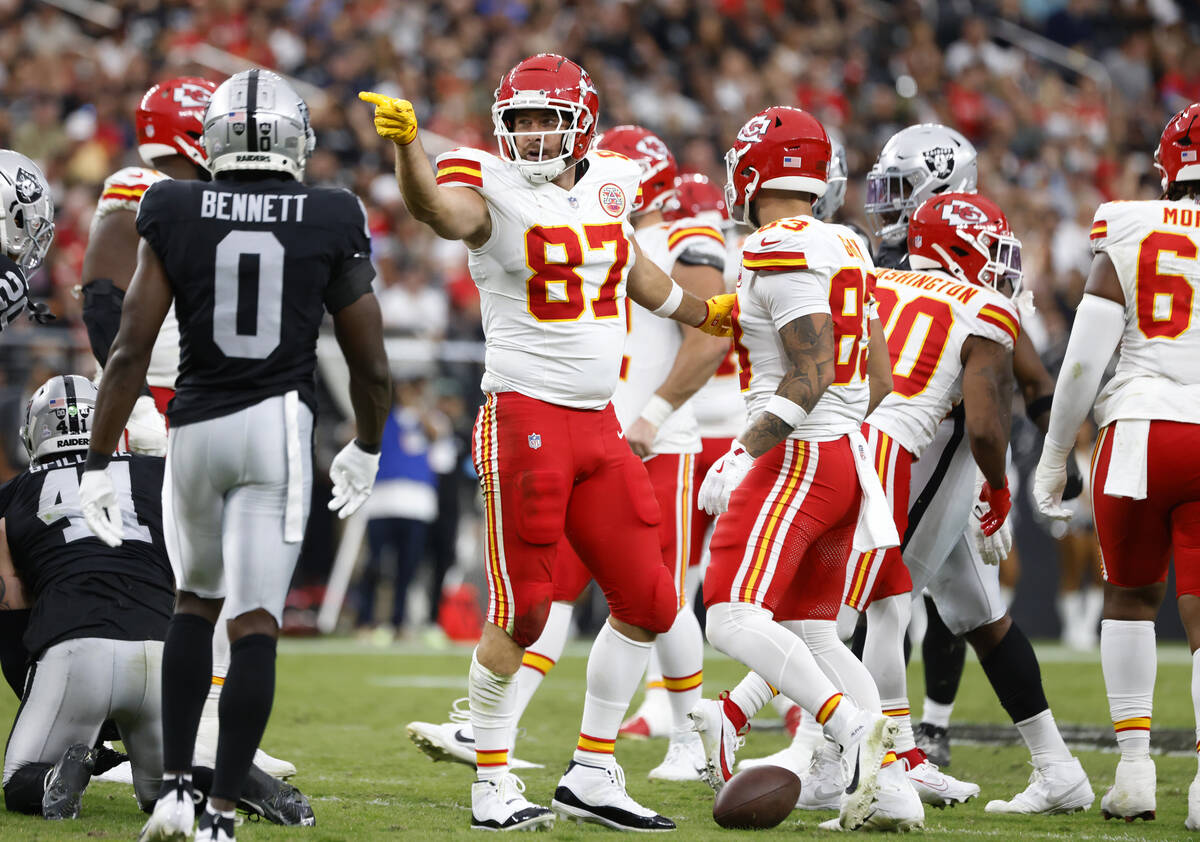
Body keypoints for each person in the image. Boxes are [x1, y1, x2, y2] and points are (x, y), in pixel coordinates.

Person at [360, 53, 733, 831]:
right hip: (526, 418)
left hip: (597, 423)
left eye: (546, 118)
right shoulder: (486, 184)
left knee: (652, 599)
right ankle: (490, 781)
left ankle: (593, 770)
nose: (531, 134)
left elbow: (626, 264)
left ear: (582, 122)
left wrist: (703, 315)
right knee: (526, 609)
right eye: (520, 119)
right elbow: (439, 211)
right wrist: (408, 150)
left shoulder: (613, 182)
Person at [80, 69, 391, 842]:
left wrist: (95, 461)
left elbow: (127, 351)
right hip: (275, 424)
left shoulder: (173, 203)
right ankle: (219, 812)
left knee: (193, 605)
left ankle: (177, 791)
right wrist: (368, 443)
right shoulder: (330, 211)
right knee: (254, 624)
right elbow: (371, 364)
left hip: (192, 422)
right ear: (294, 139)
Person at [688, 105, 920, 832]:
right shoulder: (846, 243)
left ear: (758, 168)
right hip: (845, 453)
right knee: (815, 634)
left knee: (728, 615)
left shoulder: (778, 246)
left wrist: (741, 450)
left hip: (798, 454)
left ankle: (847, 729)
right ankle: (894, 792)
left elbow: (810, 372)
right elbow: (876, 375)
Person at [79, 74, 297, 783]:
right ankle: (163, 741)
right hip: (167, 403)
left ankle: (213, 731)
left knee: (222, 582)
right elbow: (105, 305)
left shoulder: (207, 196)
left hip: (209, 399)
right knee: (190, 586)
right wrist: (138, 406)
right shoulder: (139, 187)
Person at [863, 123, 1082, 770]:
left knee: (877, 602)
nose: (885, 202)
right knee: (976, 615)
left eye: (900, 188)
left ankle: (874, 753)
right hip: (915, 455)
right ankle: (1057, 768)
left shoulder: (975, 268)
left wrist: (1036, 462)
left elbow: (1028, 382)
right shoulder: (889, 264)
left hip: (945, 460)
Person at [1034, 101, 1200, 829]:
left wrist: (1054, 456)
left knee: (1130, 601)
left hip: (1136, 431)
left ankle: (1135, 773)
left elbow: (1083, 361)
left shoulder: (1129, 228)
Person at [0, 376, 171, 821]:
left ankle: (59, 775)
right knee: (165, 796)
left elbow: (11, 605)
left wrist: (31, 688)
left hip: (76, 649)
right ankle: (231, 777)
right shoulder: (160, 474)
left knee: (20, 780)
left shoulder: (14, 497)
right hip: (163, 647)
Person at [621, 170, 742, 741]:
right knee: (668, 585)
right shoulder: (750, 251)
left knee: (687, 588)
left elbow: (711, 340)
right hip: (716, 426)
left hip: (713, 429)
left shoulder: (690, 246)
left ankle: (702, 723)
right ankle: (664, 708)